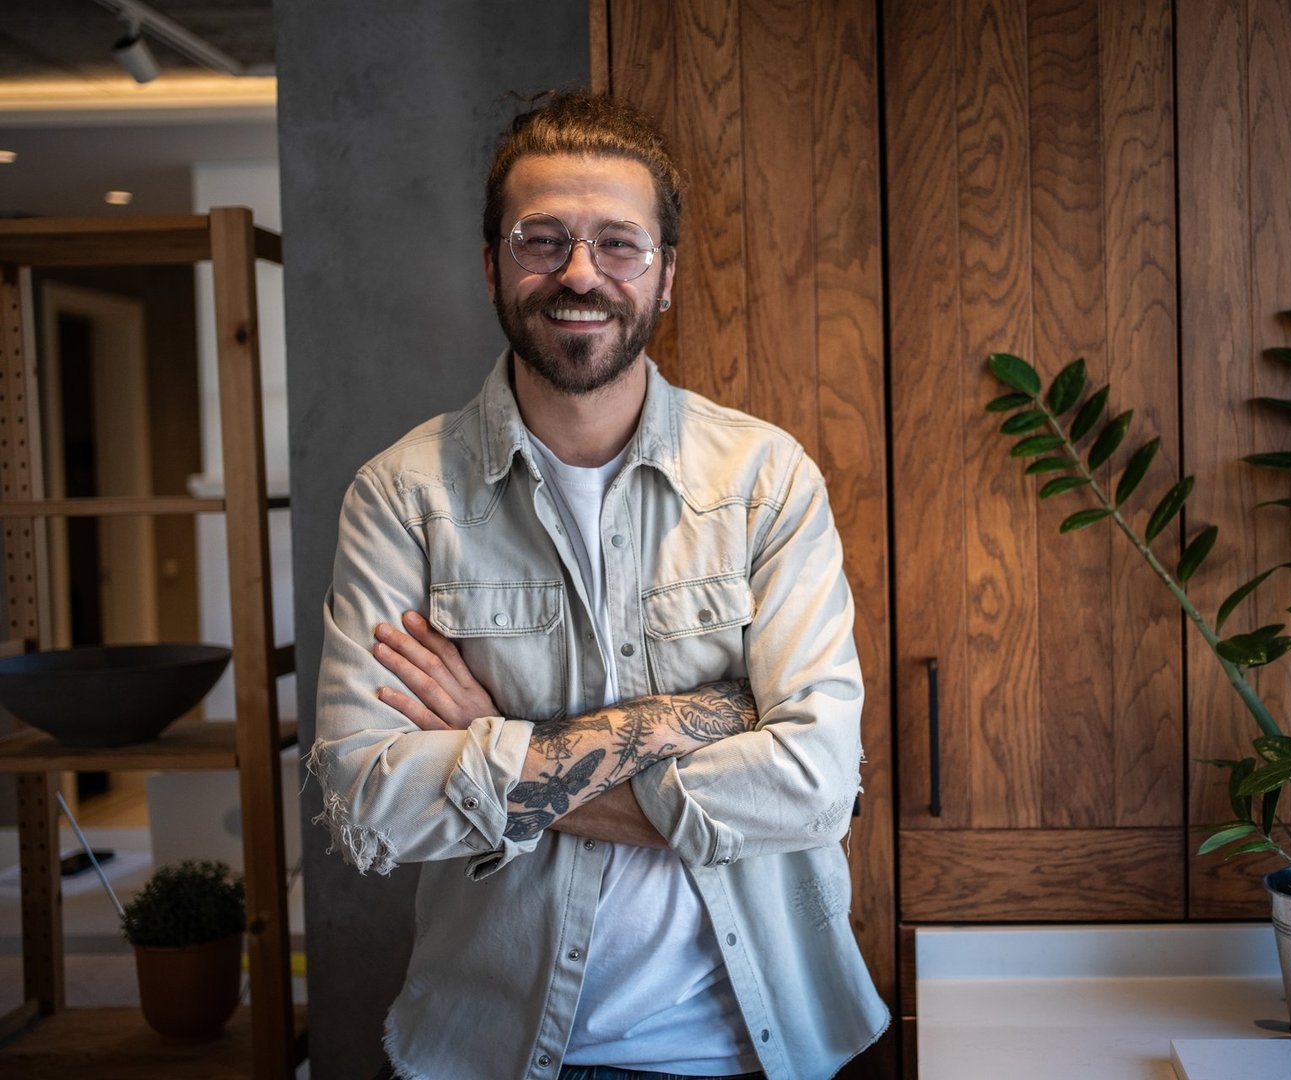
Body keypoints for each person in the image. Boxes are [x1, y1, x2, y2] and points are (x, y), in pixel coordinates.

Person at [310, 91, 888, 1080]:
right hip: (493, 1052)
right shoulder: (401, 497)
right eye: (543, 240)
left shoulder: (764, 479)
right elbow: (366, 800)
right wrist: (699, 718)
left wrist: (494, 745)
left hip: (759, 1045)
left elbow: (816, 784)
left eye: (620, 244)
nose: (580, 272)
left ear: (665, 277)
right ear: (492, 265)